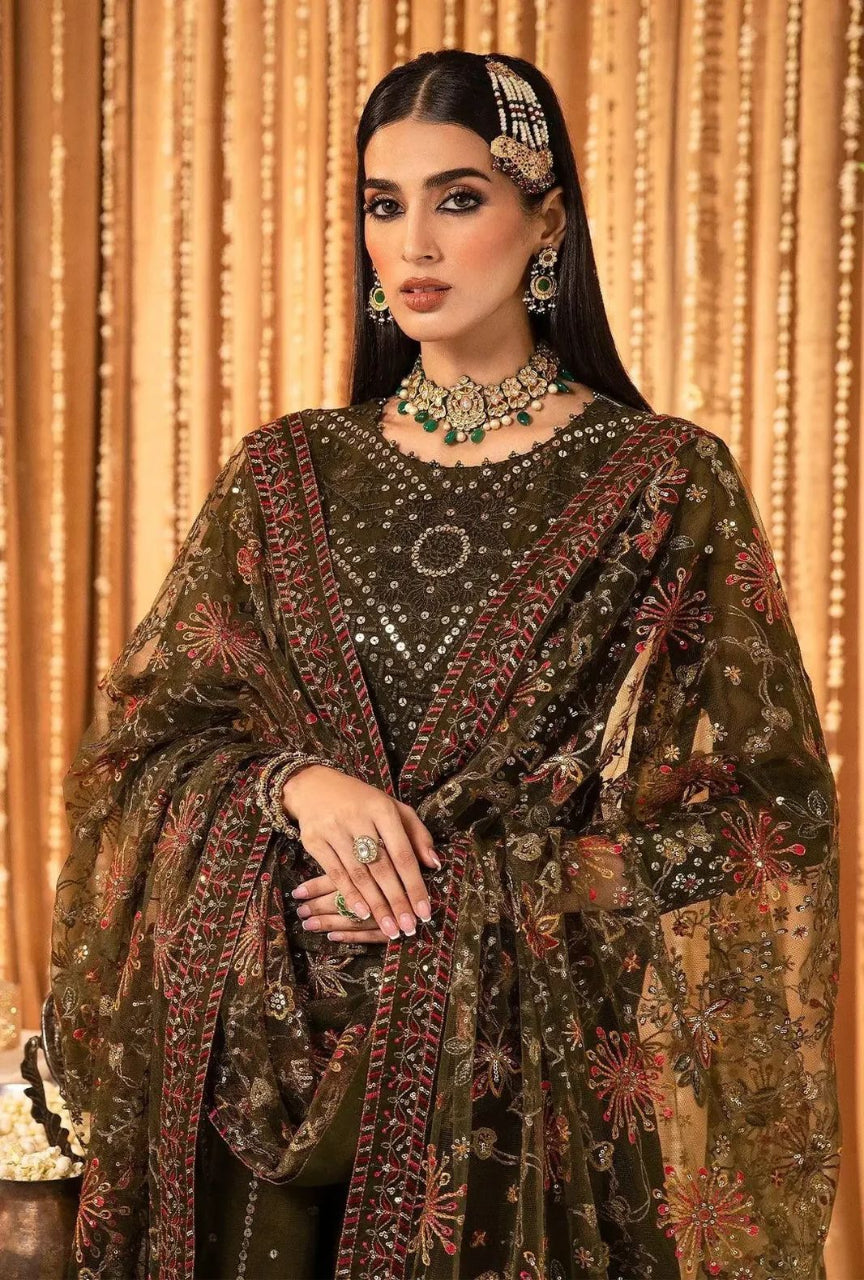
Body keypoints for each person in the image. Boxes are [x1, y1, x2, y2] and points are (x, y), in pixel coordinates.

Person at [50, 48, 840, 1280]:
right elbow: (142, 747)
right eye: (384, 202)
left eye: (458, 197)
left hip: (521, 1105)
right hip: (258, 1074)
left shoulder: (660, 480)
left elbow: (769, 819)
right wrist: (296, 788)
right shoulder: (285, 472)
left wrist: (475, 881)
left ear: (547, 222)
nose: (414, 239)